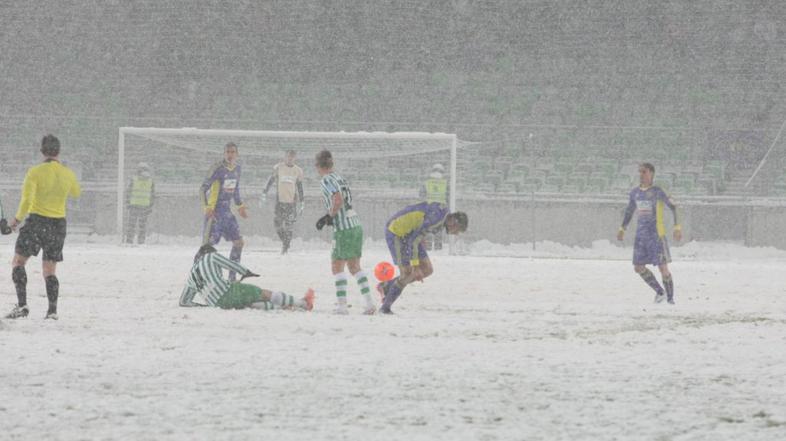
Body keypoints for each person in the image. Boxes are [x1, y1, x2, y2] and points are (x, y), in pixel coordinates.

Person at [5, 135, 81, 320]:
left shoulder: (35, 172)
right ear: (59, 151)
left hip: (37, 221)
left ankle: (22, 305)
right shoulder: (67, 173)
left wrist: (16, 220)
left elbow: (27, 200)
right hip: (58, 224)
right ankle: (52, 310)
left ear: (42, 151)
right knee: (49, 269)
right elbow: (76, 193)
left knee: (18, 262)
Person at [377, 202, 468, 314]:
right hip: (396, 232)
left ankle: (387, 286)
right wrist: (415, 266)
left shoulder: (444, 214)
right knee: (408, 273)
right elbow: (413, 240)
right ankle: (385, 308)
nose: (457, 234)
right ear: (454, 222)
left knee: (427, 269)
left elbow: (420, 222)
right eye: (458, 230)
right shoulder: (437, 220)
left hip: (410, 234)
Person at [314, 150, 376, 315]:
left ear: (318, 166)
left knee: (337, 266)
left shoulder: (326, 179)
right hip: (355, 224)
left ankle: (342, 306)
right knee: (355, 267)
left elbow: (338, 199)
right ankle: (369, 304)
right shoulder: (340, 178)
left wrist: (329, 216)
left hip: (344, 228)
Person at [617, 162, 682, 304]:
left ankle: (671, 300)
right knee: (638, 267)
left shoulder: (658, 191)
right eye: (639, 172)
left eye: (644, 172)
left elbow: (673, 207)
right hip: (641, 237)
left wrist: (677, 227)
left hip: (656, 236)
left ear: (651, 173)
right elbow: (629, 211)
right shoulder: (635, 193)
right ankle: (660, 292)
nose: (641, 175)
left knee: (663, 268)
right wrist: (622, 228)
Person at [179, 244, 314, 310]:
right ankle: (302, 303)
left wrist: (205, 306)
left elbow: (184, 302)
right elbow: (230, 264)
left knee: (248, 303)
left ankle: (282, 308)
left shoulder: (191, 275)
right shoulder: (211, 256)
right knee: (262, 293)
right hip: (228, 293)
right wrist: (245, 272)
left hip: (217, 304)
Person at [200, 142, 248, 281]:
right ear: (224, 153)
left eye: (233, 152)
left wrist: (240, 206)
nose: (230, 154)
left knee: (239, 242)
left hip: (227, 212)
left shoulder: (238, 169)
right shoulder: (217, 168)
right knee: (207, 247)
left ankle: (232, 278)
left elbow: (235, 189)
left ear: (237, 154)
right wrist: (207, 207)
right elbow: (202, 189)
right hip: (215, 212)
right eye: (228, 152)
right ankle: (200, 277)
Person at [262, 150, 305, 254]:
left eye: (292, 157)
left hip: (291, 202)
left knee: (289, 225)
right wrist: (264, 193)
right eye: (288, 157)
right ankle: (285, 242)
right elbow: (270, 180)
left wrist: (302, 201)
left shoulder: (298, 170)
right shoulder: (278, 168)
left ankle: (285, 249)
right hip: (280, 201)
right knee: (277, 224)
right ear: (285, 157)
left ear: (295, 158)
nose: (290, 159)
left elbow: (299, 186)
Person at [419, 163, 449, 250]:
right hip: (440, 208)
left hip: (429, 207)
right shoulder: (445, 183)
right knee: (438, 228)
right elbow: (448, 196)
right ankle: (438, 247)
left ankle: (428, 246)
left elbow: (421, 194)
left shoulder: (427, 182)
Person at [124, 162, 156, 244]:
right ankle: (141, 241)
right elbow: (152, 195)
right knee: (142, 225)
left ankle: (129, 241)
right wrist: (150, 206)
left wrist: (127, 203)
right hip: (145, 206)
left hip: (133, 205)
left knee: (131, 225)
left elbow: (128, 192)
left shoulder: (133, 179)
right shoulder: (150, 181)